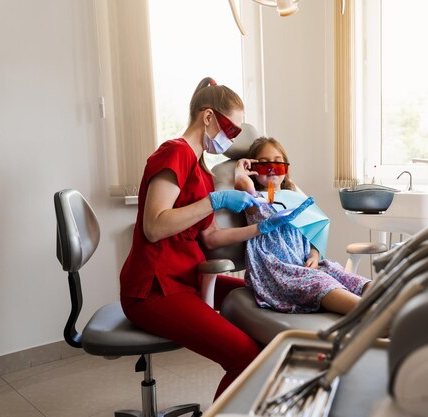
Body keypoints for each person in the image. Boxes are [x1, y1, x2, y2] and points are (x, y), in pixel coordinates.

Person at [119, 78, 308, 399]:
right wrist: (214, 202)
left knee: (266, 299)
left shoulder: (202, 171)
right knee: (245, 357)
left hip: (190, 278)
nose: (233, 138)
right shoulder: (174, 153)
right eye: (231, 130)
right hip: (155, 289)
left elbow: (211, 238)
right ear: (208, 117)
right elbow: (154, 226)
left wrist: (262, 227)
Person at [234, 137, 372, 315]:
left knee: (346, 277)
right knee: (320, 283)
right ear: (252, 169)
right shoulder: (254, 200)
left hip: (305, 264)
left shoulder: (294, 197)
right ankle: (373, 316)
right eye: (263, 164)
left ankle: (396, 306)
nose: (272, 169)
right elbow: (242, 185)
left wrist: (315, 255)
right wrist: (240, 169)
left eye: (278, 163)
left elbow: (314, 231)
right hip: (280, 272)